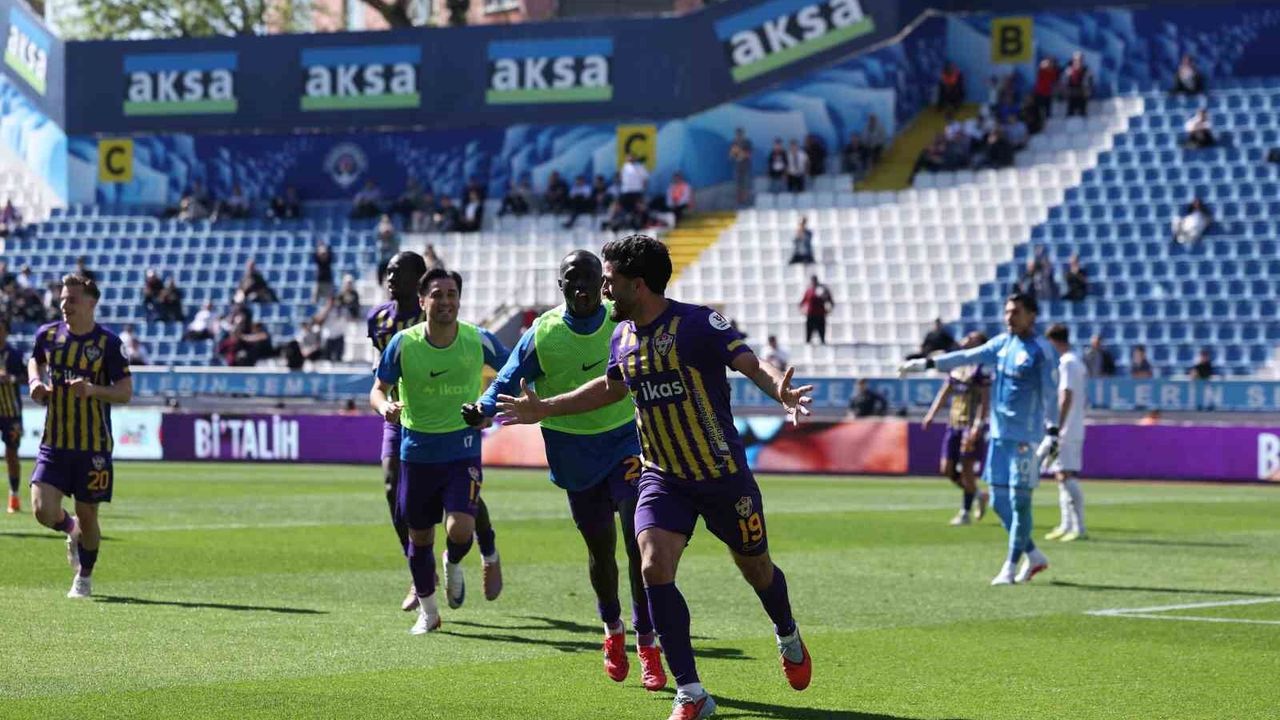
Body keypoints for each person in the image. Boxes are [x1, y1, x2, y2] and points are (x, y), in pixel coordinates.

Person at [495, 234, 813, 720]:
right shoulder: (621, 336)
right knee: (652, 566)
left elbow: (751, 364)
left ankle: (786, 631)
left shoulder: (697, 324)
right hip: (663, 477)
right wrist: (546, 408)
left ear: (637, 284)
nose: (604, 289)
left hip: (722, 475)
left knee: (758, 570)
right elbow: (609, 388)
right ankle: (691, 692)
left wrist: (780, 392)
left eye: (610, 280)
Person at [470, 250, 666, 690]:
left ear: (603, 283)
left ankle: (648, 643)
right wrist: (482, 407)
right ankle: (612, 628)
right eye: (572, 278)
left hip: (626, 440)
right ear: (560, 285)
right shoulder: (543, 333)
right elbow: (506, 378)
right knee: (601, 550)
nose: (581, 286)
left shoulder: (621, 321)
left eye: (589, 277)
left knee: (640, 541)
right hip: (573, 451)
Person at [370, 267, 511, 635]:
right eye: (437, 294)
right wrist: (385, 407)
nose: (445, 301)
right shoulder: (403, 343)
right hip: (416, 452)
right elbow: (378, 388)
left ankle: (453, 562)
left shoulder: (478, 339)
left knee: (461, 529)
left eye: (451, 294)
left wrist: (487, 409)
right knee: (419, 537)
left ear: (459, 300)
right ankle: (430, 613)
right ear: (422, 301)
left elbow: (513, 372)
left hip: (462, 450)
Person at [900, 292, 1059, 586]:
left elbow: (1051, 395)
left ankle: (1010, 567)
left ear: (1032, 315)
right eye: (1007, 311)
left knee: (1020, 502)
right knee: (999, 503)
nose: (1009, 317)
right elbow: (965, 357)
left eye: (1016, 311)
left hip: (1025, 439)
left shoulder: (1042, 351)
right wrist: (927, 364)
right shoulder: (1001, 344)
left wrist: (1053, 432)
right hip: (998, 437)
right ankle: (1034, 555)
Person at [27, 273, 134, 598]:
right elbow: (35, 360)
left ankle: (84, 577)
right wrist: (35, 383)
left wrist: (92, 390)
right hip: (55, 442)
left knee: (89, 516)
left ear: (91, 303)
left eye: (71, 300)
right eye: (62, 299)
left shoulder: (108, 344)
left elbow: (125, 392)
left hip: (93, 448)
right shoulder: (48, 335)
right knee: (42, 509)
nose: (64, 305)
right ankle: (69, 529)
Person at [921, 331, 991, 526]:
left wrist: (978, 424)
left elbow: (984, 400)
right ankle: (979, 495)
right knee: (947, 469)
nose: (966, 339)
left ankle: (965, 513)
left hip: (970, 425)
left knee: (967, 469)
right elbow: (945, 392)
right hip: (954, 424)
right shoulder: (957, 366)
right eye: (967, 337)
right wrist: (931, 414)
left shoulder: (981, 369)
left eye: (973, 338)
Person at [1043, 324, 1087, 543]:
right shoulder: (1075, 361)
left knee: (1065, 475)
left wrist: (1057, 426)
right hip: (1073, 425)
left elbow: (1065, 396)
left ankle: (1079, 527)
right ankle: (1066, 524)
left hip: (1067, 427)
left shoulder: (1067, 363)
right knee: (1061, 475)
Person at [0, 318, 24, 513]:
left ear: (6, 332)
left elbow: (27, 377)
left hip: (11, 413)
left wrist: (11, 378)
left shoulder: (15, 355)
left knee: (11, 454)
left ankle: (14, 495)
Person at [799, 275, 833, 345]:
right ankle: (808, 345)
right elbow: (803, 302)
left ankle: (822, 344)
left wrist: (829, 310)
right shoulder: (809, 291)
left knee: (821, 333)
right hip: (810, 314)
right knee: (809, 334)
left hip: (820, 314)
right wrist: (802, 311)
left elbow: (830, 301)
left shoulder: (822, 290)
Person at [729, 128, 753, 207]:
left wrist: (740, 152)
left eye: (740, 134)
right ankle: (739, 203)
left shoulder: (747, 143)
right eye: (737, 134)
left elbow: (749, 155)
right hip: (737, 167)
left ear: (743, 134)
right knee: (737, 185)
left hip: (746, 167)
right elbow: (731, 156)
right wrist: (732, 154)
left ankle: (745, 202)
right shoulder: (734, 143)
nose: (738, 136)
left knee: (745, 185)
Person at [1063, 52, 1092, 117]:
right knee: (1070, 109)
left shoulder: (1086, 69)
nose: (1078, 61)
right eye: (1076, 59)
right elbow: (1065, 80)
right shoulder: (1069, 69)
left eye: (1080, 59)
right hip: (1071, 91)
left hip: (1082, 92)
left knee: (1082, 110)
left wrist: (1088, 89)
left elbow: (1089, 80)